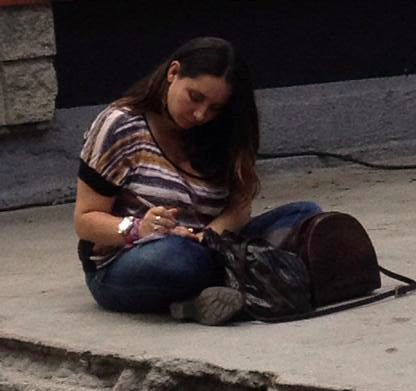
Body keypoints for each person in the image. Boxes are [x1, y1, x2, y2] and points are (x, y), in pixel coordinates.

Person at [74, 36, 321, 325]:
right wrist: (140, 229)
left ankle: (221, 291)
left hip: (213, 245)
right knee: (176, 260)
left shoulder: (224, 130)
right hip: (134, 260)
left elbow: (238, 210)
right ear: (173, 72)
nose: (201, 114)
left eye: (215, 108)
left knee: (306, 217)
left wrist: (206, 238)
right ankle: (258, 281)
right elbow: (85, 220)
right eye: (195, 97)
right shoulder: (120, 124)